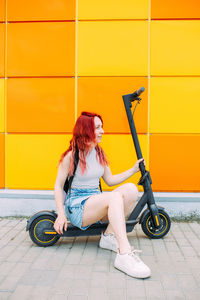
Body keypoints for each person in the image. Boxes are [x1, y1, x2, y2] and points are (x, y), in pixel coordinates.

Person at [54, 111, 151, 279]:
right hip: (78, 206)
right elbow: (58, 186)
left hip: (96, 201)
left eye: (101, 127)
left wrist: (133, 170)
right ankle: (124, 253)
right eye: (97, 128)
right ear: (86, 130)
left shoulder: (99, 153)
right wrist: (61, 215)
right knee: (114, 197)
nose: (102, 131)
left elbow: (110, 180)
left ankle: (108, 237)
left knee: (131, 190)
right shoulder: (71, 156)